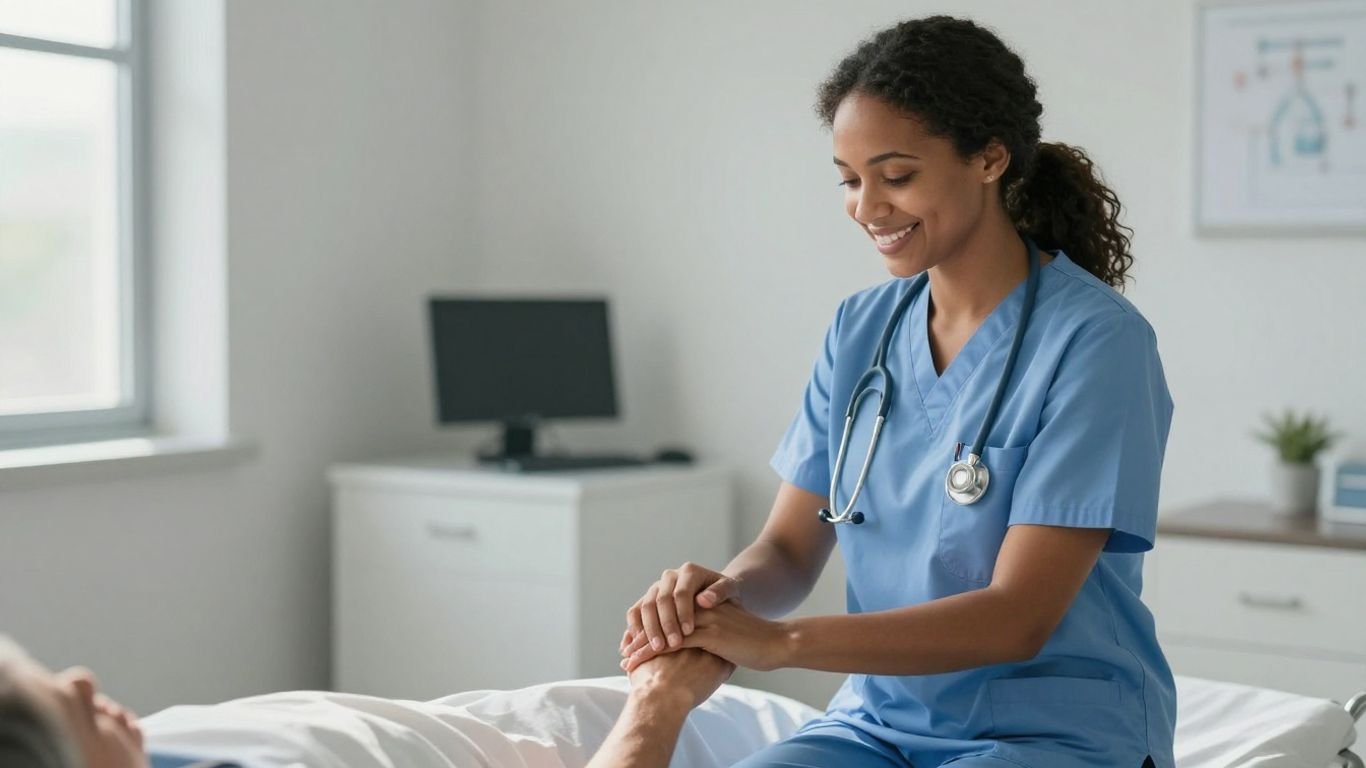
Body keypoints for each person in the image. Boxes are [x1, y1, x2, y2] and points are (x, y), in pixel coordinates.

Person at [619, 14, 1175, 768]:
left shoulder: (1097, 342)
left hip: (1051, 732)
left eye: (897, 176)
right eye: (850, 180)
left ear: (990, 158)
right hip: (878, 725)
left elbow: (1018, 618)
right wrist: (719, 600)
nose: (866, 207)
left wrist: (780, 643)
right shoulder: (862, 328)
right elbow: (787, 550)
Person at [0, 635, 738, 768]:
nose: (79, 681)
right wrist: (662, 696)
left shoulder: (148, 743)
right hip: (647, 738)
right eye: (56, 706)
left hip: (506, 720)